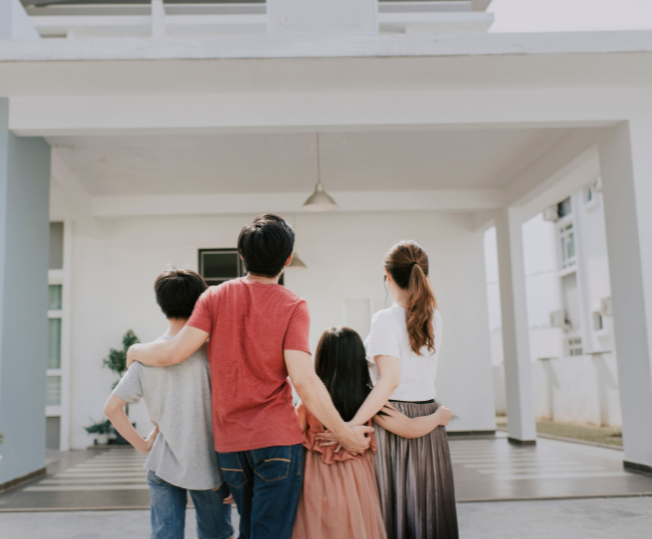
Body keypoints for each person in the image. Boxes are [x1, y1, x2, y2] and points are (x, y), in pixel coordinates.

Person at [126, 214, 372, 539]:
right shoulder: (293, 305)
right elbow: (303, 380)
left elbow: (174, 353)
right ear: (287, 259)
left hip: (230, 445)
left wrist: (135, 351)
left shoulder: (213, 297)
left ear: (241, 255)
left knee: (249, 529)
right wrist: (343, 433)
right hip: (276, 441)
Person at [336, 240, 459, 539]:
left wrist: (350, 425)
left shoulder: (385, 319)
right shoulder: (435, 316)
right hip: (428, 417)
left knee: (393, 509)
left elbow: (389, 380)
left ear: (387, 276)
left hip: (393, 416)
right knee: (427, 508)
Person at [104, 268, 234, 539]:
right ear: (201, 302)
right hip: (210, 467)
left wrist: (143, 445)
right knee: (216, 535)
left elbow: (112, 409)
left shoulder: (146, 356)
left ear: (161, 304)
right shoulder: (214, 354)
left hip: (162, 462)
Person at [293, 326, 453, 539]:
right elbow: (409, 428)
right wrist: (439, 417)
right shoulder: (369, 401)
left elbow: (288, 438)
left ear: (321, 358)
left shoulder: (308, 403)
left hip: (315, 482)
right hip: (358, 485)